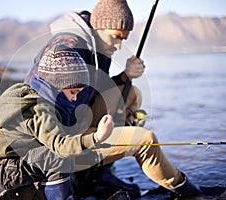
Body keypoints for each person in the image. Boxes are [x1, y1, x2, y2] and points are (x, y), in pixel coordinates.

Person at [24, 0, 202, 199]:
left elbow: (92, 90)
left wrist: (124, 76)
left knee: (132, 93)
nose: (119, 46)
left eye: (123, 40)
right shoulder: (67, 46)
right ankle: (187, 190)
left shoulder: (98, 48)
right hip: (56, 139)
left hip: (77, 120)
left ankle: (101, 173)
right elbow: (38, 98)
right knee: (145, 140)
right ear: (99, 26)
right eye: (116, 37)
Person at [0, 44, 115, 199]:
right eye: (73, 92)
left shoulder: (39, 97)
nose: (75, 98)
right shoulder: (39, 108)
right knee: (58, 157)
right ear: (57, 86)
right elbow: (60, 146)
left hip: (13, 161)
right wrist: (97, 137)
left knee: (66, 156)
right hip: (1, 170)